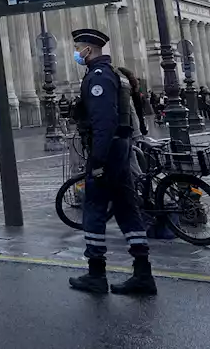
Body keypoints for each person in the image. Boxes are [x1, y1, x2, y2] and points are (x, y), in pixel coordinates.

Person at [67, 27, 156, 295]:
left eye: (78, 48)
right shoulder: (110, 74)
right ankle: (143, 272)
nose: (76, 53)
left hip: (108, 149)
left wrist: (98, 160)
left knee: (94, 207)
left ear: (88, 50)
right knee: (126, 207)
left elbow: (104, 121)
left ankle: (96, 272)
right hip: (120, 148)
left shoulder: (99, 76)